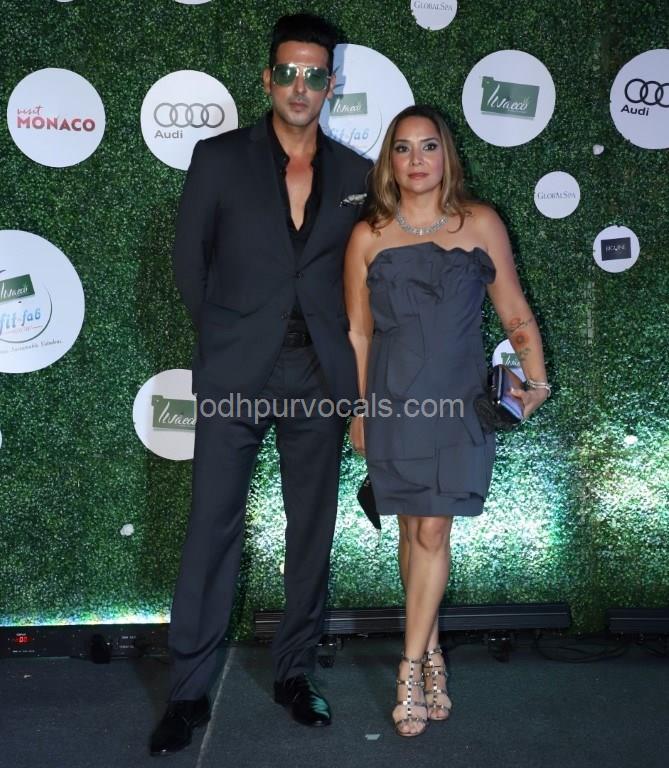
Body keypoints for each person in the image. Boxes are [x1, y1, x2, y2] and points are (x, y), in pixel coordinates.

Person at [150, 13, 372, 756]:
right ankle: (187, 692)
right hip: (236, 371)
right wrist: (230, 338)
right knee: (211, 525)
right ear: (267, 79)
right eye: (288, 72)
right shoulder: (218, 159)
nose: (300, 86)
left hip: (318, 375)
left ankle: (294, 673)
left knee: (311, 530)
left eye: (314, 74)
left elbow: (360, 280)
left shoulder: (355, 174)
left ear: (330, 84)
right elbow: (191, 264)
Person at [344, 105, 550, 737]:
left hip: (459, 403)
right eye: (403, 148)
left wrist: (537, 381)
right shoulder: (368, 235)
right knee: (413, 530)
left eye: (428, 146)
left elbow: (514, 311)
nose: (417, 160)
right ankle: (431, 652)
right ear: (389, 160)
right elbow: (358, 333)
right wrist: (358, 409)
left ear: (446, 155)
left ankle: (409, 669)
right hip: (394, 402)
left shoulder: (480, 223)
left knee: (434, 528)